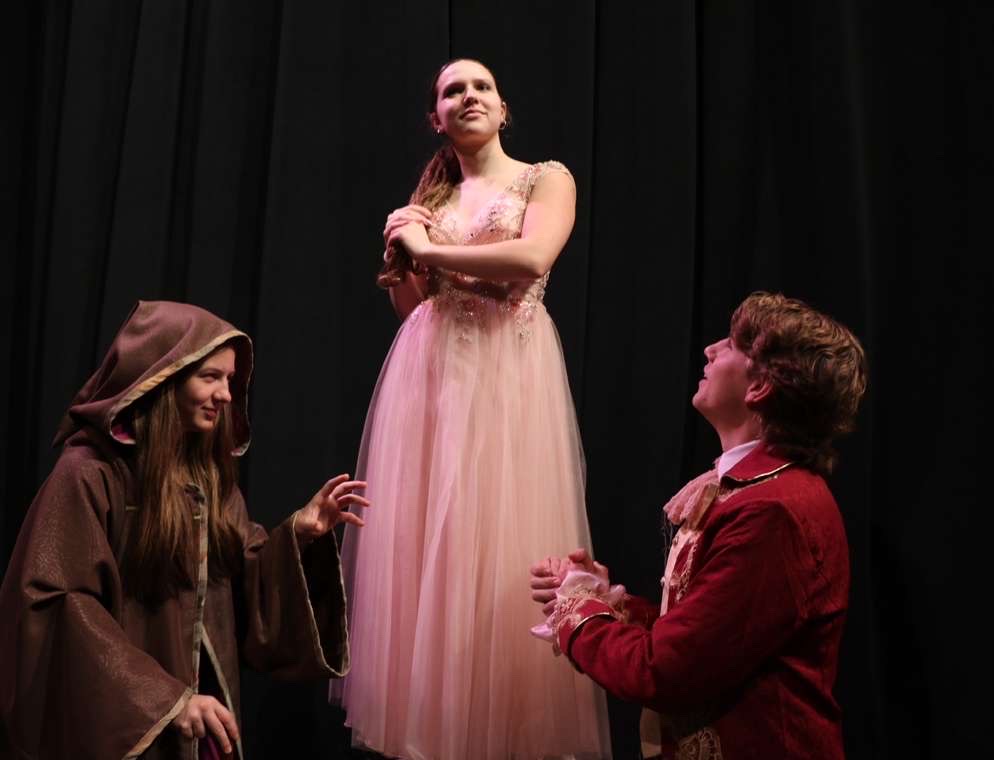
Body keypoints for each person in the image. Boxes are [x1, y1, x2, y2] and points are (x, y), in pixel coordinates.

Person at [334, 59, 610, 758]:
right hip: (430, 380)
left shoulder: (545, 177)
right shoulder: (428, 199)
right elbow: (415, 308)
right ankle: (434, 730)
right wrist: (405, 255)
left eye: (481, 86)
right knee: (430, 551)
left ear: (503, 106)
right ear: (437, 117)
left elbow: (534, 258)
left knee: (501, 545)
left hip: (506, 380)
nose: (468, 97)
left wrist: (431, 248)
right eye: (452, 91)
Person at [0, 300, 367, 760]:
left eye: (230, 380)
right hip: (128, 729)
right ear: (163, 378)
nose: (227, 395)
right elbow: (59, 604)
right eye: (210, 377)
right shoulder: (90, 474)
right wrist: (159, 699)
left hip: (202, 725)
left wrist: (299, 535)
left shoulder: (208, 480)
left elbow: (243, 582)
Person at [530, 292, 867, 760]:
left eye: (732, 344)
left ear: (760, 387)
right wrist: (611, 602)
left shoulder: (773, 510)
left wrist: (578, 610)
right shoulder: (752, 491)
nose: (710, 349)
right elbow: (705, 636)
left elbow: (665, 672)